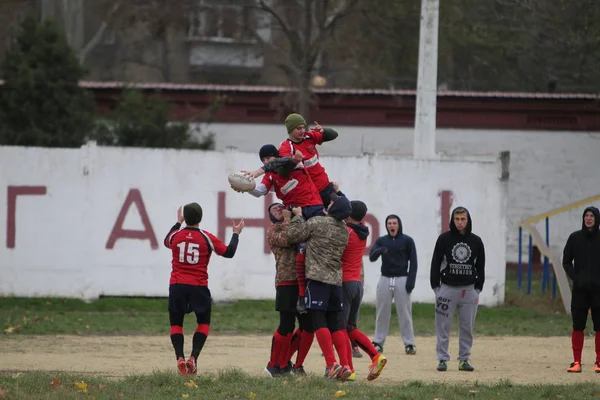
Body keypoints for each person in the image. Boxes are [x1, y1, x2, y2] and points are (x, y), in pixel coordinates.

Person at [163, 203, 244, 375]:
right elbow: (229, 252)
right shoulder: (206, 237)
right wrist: (236, 234)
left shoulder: (176, 235)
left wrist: (178, 223)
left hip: (177, 285)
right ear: (200, 217)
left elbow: (166, 241)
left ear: (185, 217)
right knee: (203, 323)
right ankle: (193, 358)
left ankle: (179, 357)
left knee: (176, 324)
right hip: (198, 286)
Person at [286, 196, 353, 380]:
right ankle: (345, 365)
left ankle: (331, 365)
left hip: (317, 279)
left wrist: (298, 216)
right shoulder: (345, 231)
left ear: (334, 208)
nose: (327, 205)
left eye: (330, 203)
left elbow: (293, 236)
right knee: (336, 325)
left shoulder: (317, 223)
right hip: (336, 282)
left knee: (318, 321)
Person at [430, 206, 485, 372]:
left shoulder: (476, 241)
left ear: (468, 221)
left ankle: (464, 359)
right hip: (447, 289)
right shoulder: (444, 239)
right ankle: (442, 359)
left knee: (467, 327)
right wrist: (436, 288)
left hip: (469, 291)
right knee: (443, 326)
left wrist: (478, 289)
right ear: (452, 220)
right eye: (457, 219)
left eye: (463, 219)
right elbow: (435, 263)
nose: (460, 222)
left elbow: (481, 266)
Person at [264, 202, 314, 377]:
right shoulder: (273, 230)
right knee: (286, 325)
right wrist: (287, 219)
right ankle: (274, 365)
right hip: (286, 280)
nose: (279, 209)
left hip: (303, 280)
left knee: (307, 326)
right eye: (274, 209)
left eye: (281, 206)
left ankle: (290, 363)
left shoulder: (297, 224)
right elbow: (288, 239)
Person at [341, 200, 387, 381]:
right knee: (350, 327)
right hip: (357, 283)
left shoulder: (347, 232)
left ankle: (349, 369)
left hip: (344, 283)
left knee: (340, 328)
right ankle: (376, 356)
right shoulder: (362, 229)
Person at [368, 214, 418, 356]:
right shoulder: (382, 240)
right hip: (385, 278)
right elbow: (372, 257)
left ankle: (409, 343)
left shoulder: (407, 241)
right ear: (387, 225)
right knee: (382, 311)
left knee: (405, 312)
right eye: (389, 223)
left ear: (399, 224)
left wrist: (411, 281)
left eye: (394, 223)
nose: (392, 226)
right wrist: (380, 250)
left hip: (402, 278)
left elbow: (413, 262)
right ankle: (378, 342)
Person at [563, 206, 600, 373]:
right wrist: (576, 278)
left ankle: (598, 362)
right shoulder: (574, 238)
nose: (589, 218)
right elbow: (566, 262)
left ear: (596, 219)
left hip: (598, 290)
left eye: (592, 215)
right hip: (580, 290)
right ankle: (576, 362)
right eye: (586, 215)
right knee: (578, 325)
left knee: (599, 326)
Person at [278, 113, 343, 207]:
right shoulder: (286, 147)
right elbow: (282, 172)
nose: (302, 131)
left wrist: (323, 130)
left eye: (303, 127)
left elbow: (334, 135)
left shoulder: (308, 137)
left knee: (343, 210)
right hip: (311, 195)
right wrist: (293, 161)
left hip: (326, 186)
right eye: (298, 128)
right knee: (321, 220)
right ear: (290, 130)